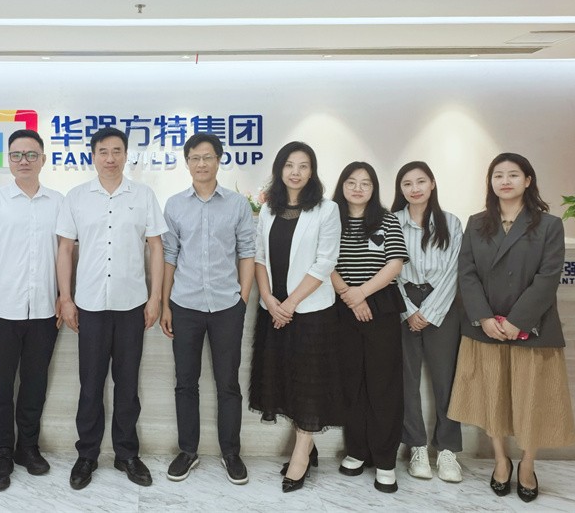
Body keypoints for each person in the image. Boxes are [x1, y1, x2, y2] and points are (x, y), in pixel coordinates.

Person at [448, 153, 573, 503]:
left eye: (513, 174)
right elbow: (466, 274)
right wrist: (485, 318)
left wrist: (518, 321)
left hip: (533, 329)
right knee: (494, 396)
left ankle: (528, 465)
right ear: (490, 182)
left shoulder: (549, 225)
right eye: (498, 175)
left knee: (532, 400)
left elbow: (548, 278)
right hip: (485, 329)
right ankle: (501, 461)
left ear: (528, 180)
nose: (505, 181)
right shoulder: (476, 223)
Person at [55, 127, 168, 490]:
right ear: (93, 156)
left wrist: (155, 298)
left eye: (117, 151)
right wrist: (66, 298)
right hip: (89, 304)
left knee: (127, 384)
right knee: (90, 385)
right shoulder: (76, 197)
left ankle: (126, 454)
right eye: (103, 151)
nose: (110, 158)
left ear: (126, 155)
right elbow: (65, 249)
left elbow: (156, 247)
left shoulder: (143, 195)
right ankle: (87, 455)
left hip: (132, 304)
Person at [0, 129, 63, 492]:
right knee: (0, 387)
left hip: (44, 311)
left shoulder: (58, 202)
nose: (24, 161)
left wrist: (64, 295)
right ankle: (3, 455)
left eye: (31, 154)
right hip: (1, 310)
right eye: (17, 155)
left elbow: (67, 253)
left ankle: (28, 448)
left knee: (35, 385)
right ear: (8, 160)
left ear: (43, 159)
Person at [161, 133, 256, 486]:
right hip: (184, 305)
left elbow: (247, 252)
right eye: (195, 158)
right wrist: (165, 304)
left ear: (219, 160)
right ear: (187, 162)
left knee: (228, 383)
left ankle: (231, 453)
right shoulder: (174, 205)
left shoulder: (237, 204)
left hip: (226, 305)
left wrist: (242, 299)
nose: (201, 164)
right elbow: (170, 256)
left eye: (208, 157)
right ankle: (188, 451)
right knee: (185, 382)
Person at [249, 141, 343, 493]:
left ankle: (301, 455)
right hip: (273, 310)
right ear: (279, 169)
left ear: (312, 171)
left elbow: (325, 262)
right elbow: (259, 257)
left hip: (310, 312)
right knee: (285, 380)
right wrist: (269, 300)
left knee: (309, 385)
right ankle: (307, 445)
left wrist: (288, 305)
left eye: (303, 166)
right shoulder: (268, 208)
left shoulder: (326, 209)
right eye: (289, 165)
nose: (295, 172)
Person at [331, 161, 408, 494]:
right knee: (351, 381)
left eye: (366, 183)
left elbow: (395, 263)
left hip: (381, 304)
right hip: (341, 303)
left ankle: (385, 460)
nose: (358, 188)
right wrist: (349, 294)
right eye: (351, 182)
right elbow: (323, 260)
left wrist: (361, 293)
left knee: (383, 383)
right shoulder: (330, 218)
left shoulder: (387, 219)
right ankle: (357, 450)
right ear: (342, 186)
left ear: (374, 189)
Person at [390, 161, 463, 484]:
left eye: (421, 181)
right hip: (403, 303)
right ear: (400, 189)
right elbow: (387, 270)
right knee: (406, 380)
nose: (415, 188)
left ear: (432, 184)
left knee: (446, 380)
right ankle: (416, 447)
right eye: (407, 183)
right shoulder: (392, 221)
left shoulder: (450, 222)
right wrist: (408, 311)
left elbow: (454, 271)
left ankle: (447, 451)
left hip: (442, 305)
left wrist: (429, 312)